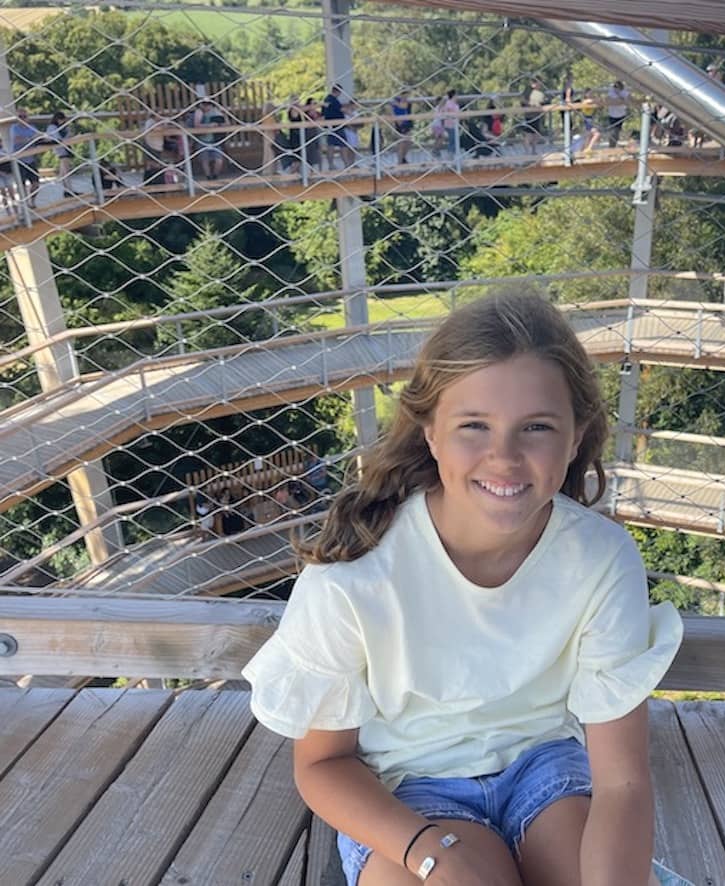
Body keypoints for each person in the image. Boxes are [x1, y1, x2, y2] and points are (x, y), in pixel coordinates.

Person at [242, 291, 684, 886]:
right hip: (405, 789)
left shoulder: (600, 559)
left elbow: (622, 781)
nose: (504, 457)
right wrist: (434, 854)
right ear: (430, 431)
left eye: (537, 427)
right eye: (474, 425)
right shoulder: (356, 574)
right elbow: (322, 764)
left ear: (576, 437)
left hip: (547, 768)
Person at [10, 108, 41, 207]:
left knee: (36, 184)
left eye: (24, 116)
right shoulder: (14, 128)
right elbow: (17, 140)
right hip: (20, 161)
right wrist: (31, 138)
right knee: (21, 185)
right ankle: (26, 204)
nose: (23, 119)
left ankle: (32, 201)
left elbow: (39, 136)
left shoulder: (31, 127)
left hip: (31, 159)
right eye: (20, 117)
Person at [193, 97, 227, 180]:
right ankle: (208, 176)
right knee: (205, 160)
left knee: (219, 159)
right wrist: (209, 125)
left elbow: (226, 123)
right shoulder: (199, 112)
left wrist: (220, 122)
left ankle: (215, 176)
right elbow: (196, 125)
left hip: (215, 139)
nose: (206, 107)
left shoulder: (216, 111)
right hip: (203, 139)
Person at [45, 111, 78, 197]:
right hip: (60, 150)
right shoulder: (52, 127)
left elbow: (67, 136)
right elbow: (56, 138)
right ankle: (69, 190)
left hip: (66, 148)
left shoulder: (64, 127)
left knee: (64, 171)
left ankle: (67, 190)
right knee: (66, 171)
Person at [322, 84, 354, 170]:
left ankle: (332, 165)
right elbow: (341, 109)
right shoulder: (332, 100)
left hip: (332, 126)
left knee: (331, 145)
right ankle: (346, 164)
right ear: (338, 91)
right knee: (342, 145)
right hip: (337, 126)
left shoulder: (328, 99)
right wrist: (352, 115)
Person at [390, 91, 413, 164]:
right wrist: (396, 123)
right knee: (401, 144)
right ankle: (399, 161)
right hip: (399, 125)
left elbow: (405, 106)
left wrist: (397, 104)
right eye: (404, 95)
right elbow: (392, 112)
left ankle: (403, 158)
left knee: (408, 142)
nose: (405, 97)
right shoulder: (395, 101)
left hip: (406, 124)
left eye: (407, 96)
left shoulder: (407, 103)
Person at [606, 80, 629, 148]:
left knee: (617, 132)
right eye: (615, 86)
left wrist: (621, 98)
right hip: (612, 115)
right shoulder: (612, 92)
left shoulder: (623, 91)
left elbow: (628, 98)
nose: (616, 88)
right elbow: (615, 100)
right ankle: (611, 147)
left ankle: (613, 146)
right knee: (613, 132)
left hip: (621, 115)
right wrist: (620, 98)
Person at [443, 88, 461, 156]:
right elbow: (447, 113)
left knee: (454, 140)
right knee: (452, 140)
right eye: (456, 95)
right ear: (454, 95)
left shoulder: (455, 104)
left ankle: (453, 154)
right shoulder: (449, 103)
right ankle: (450, 154)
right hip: (450, 125)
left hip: (455, 125)